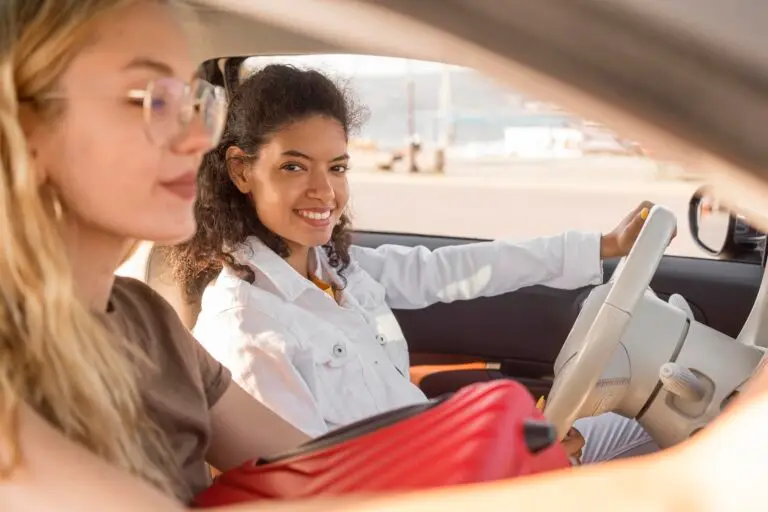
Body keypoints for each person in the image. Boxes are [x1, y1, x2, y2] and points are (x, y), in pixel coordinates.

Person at [168, 64, 659, 463]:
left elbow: (459, 268)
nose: (325, 191)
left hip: (449, 462)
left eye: (337, 167)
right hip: (438, 486)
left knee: (651, 419)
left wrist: (603, 245)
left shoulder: (334, 269)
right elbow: (320, 487)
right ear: (240, 170)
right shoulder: (247, 330)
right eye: (294, 167)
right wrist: (513, 463)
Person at [0, 1, 322, 510]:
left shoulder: (146, 316)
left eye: (196, 100)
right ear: (24, 127)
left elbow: (316, 468)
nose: (198, 138)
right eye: (153, 99)